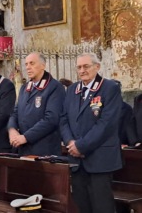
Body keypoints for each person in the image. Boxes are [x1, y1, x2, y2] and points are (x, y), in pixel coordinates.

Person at [60, 53, 123, 213]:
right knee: (82, 205)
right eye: (79, 67)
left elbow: (106, 124)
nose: (82, 70)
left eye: (86, 66)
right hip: (76, 160)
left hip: (99, 158)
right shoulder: (72, 89)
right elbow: (63, 119)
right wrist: (70, 142)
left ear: (97, 67)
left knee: (102, 207)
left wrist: (81, 146)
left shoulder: (110, 88)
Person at [8, 52, 64, 156]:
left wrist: (26, 137)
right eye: (26, 64)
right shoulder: (25, 88)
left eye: (32, 63)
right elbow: (15, 112)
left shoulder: (54, 87)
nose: (28, 67)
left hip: (44, 150)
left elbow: (51, 119)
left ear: (43, 65)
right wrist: (12, 129)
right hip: (23, 148)